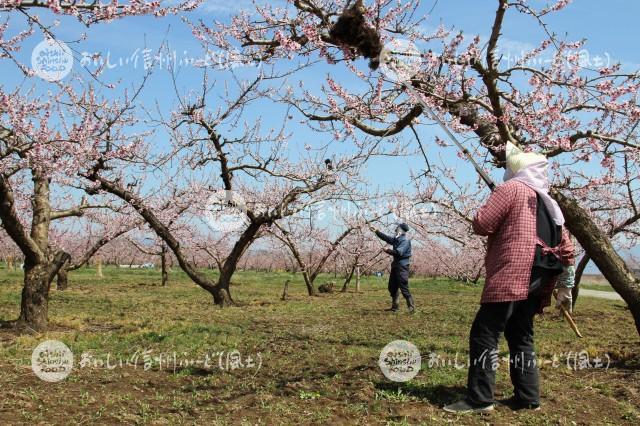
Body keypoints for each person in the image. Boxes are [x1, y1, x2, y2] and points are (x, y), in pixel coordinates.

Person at [444, 142, 575, 414]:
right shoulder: (547, 201)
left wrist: (496, 199)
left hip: (513, 272)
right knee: (520, 334)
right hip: (539, 276)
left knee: (485, 332)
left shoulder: (511, 189)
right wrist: (566, 286)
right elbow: (567, 247)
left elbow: (482, 224)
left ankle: (479, 399)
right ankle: (528, 397)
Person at [370, 223, 414, 313]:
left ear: (401, 229)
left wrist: (387, 250)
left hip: (402, 266)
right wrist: (376, 231)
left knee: (403, 286)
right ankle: (395, 307)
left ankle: (411, 308)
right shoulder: (397, 239)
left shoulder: (405, 240)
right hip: (395, 266)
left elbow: (399, 253)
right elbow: (387, 238)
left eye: (398, 227)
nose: (396, 228)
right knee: (392, 287)